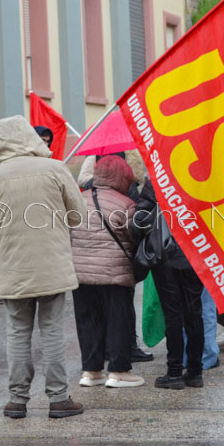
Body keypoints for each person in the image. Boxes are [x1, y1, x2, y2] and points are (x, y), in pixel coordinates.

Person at [0, 116, 86, 419]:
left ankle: (17, 400)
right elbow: (78, 216)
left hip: (13, 270)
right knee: (53, 332)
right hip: (52, 268)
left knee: (18, 333)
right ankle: (58, 399)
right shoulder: (55, 169)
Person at [70, 155, 144, 389]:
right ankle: (119, 372)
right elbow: (133, 239)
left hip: (80, 272)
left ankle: (91, 372)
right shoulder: (126, 204)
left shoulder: (77, 200)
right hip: (115, 272)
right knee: (118, 320)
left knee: (88, 319)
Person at [133, 179, 205, 390]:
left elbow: (139, 220)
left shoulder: (157, 180)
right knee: (194, 313)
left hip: (165, 257)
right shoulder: (200, 180)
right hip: (195, 255)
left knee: (173, 315)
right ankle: (195, 372)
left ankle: (174, 373)